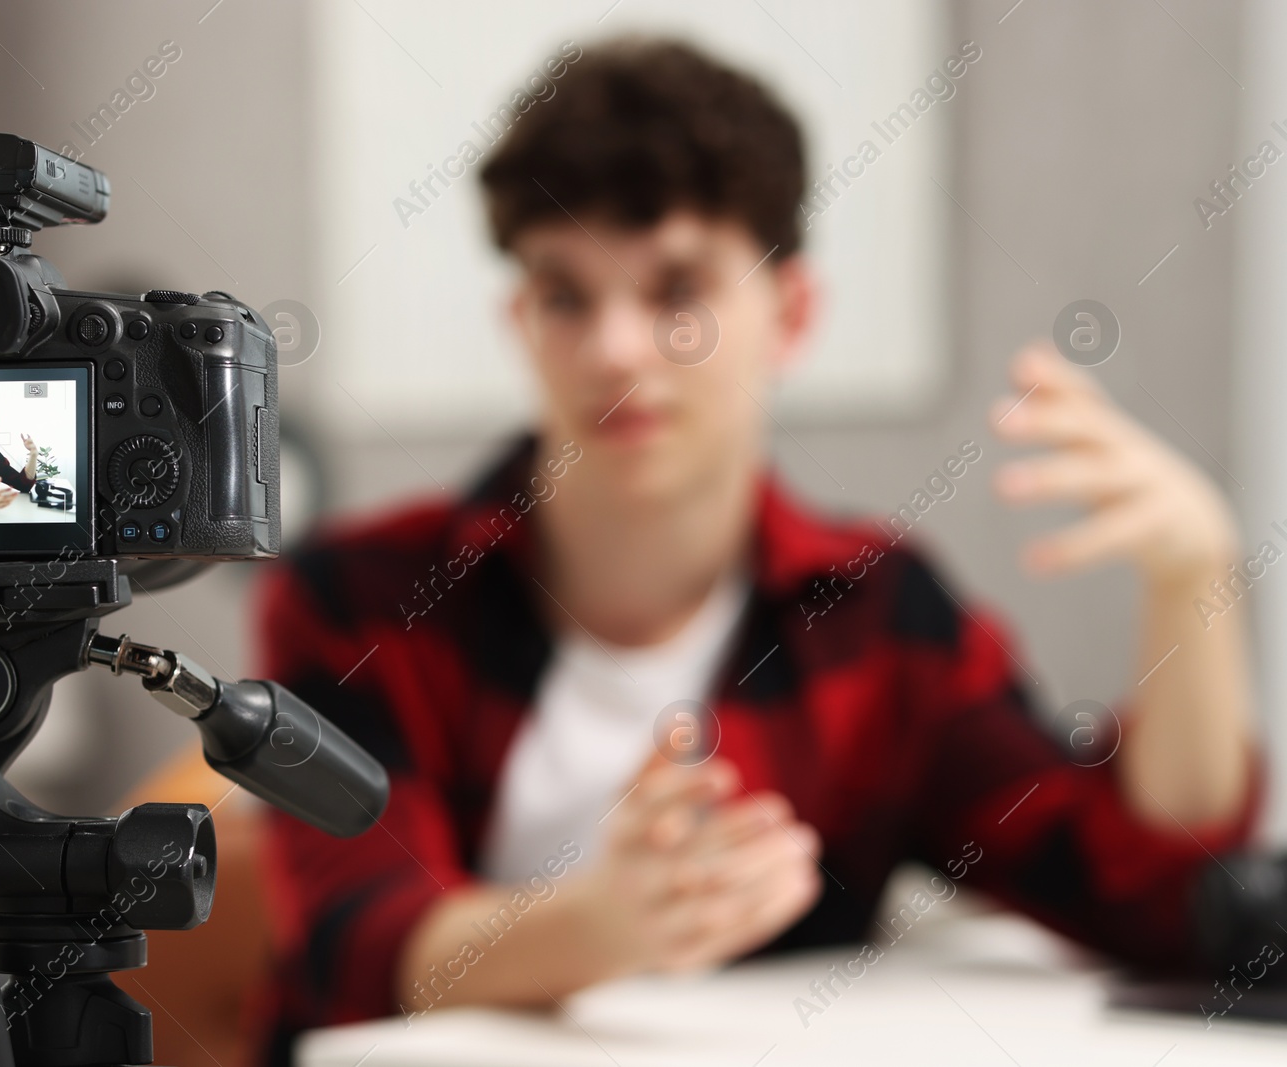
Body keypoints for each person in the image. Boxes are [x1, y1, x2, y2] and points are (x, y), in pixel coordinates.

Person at [142, 37, 1262, 1062]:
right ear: (520, 323)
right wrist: (601, 923)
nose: (615, 345)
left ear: (793, 311)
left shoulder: (876, 611)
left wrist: (1195, 581)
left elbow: (1148, 893)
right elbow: (359, 946)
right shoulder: (361, 594)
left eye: (677, 290)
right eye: (564, 294)